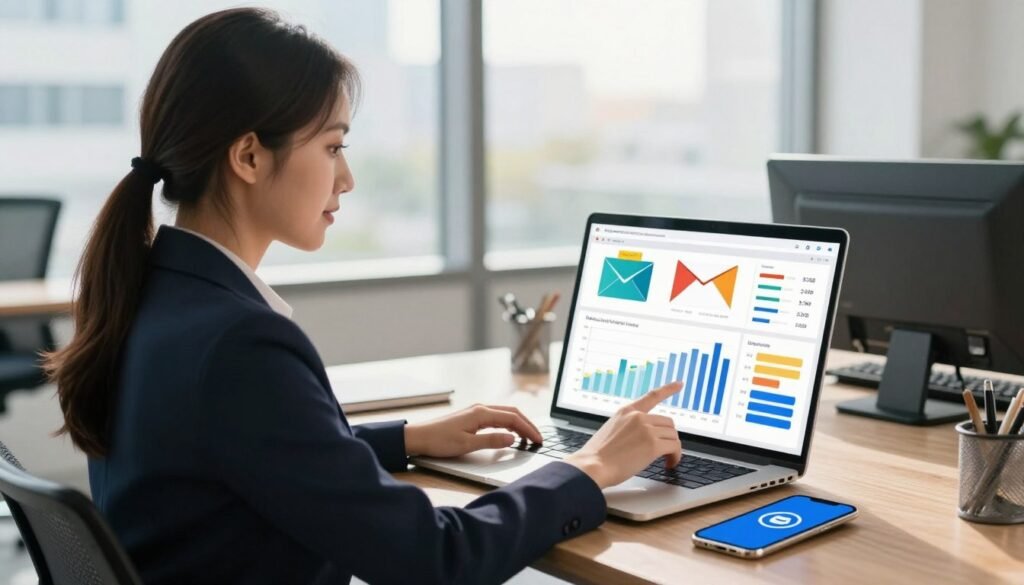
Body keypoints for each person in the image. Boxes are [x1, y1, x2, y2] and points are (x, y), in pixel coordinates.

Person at [44, 8, 684, 585]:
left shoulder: (158, 292)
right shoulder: (238, 344)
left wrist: (405, 439)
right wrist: (591, 468)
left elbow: (245, 453)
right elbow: (433, 559)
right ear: (248, 156)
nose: (346, 178)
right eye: (332, 147)